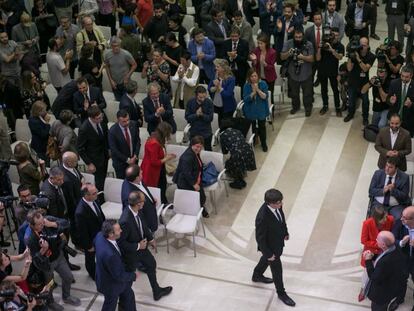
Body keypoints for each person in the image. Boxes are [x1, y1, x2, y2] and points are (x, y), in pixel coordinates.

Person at [118, 191, 173, 301]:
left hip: (142, 248)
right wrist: (138, 246)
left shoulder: (138, 211)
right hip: (132, 254)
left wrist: (151, 239)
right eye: (143, 200)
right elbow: (121, 243)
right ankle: (123, 300)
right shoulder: (125, 220)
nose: (145, 202)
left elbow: (143, 225)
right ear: (138, 203)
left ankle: (156, 291)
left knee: (151, 264)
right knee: (128, 278)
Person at [26, 210, 81, 310]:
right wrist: (43, 250)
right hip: (46, 265)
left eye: (43, 221)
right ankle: (50, 302)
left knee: (68, 277)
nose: (42, 225)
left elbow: (66, 223)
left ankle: (66, 296)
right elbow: (35, 259)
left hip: (58, 257)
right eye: (39, 224)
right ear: (32, 225)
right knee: (49, 285)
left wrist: (53, 224)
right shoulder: (29, 238)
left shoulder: (48, 220)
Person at [252, 189, 296, 307]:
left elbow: (281, 220)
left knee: (266, 260)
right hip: (271, 248)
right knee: (277, 271)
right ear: (269, 203)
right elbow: (260, 239)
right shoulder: (262, 217)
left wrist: (285, 232)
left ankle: (257, 274)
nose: (281, 204)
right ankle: (281, 293)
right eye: (278, 203)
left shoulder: (277, 206)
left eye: (281, 201)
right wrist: (268, 254)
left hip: (277, 242)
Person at [95, 219, 139, 311]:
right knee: (110, 305)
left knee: (128, 295)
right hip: (111, 286)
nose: (121, 231)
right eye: (118, 230)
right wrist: (133, 275)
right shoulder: (110, 255)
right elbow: (118, 275)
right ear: (111, 234)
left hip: (104, 277)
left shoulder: (99, 235)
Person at [358, 205, 394, 302]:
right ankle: (363, 290)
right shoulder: (367, 223)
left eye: (386, 216)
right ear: (377, 219)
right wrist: (379, 245)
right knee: (366, 272)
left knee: (381, 271)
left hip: (384, 251)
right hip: (371, 251)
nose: (386, 219)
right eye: (384, 218)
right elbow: (364, 240)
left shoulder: (390, 220)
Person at [363, 231, 406, 311]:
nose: (376, 239)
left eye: (378, 239)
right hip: (391, 287)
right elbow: (382, 257)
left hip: (381, 295)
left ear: (383, 244)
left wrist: (368, 260)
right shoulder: (394, 248)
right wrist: (373, 256)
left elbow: (374, 277)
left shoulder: (385, 262)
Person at [173, 136, 210, 218]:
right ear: (192, 145)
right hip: (186, 182)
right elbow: (186, 173)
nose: (199, 149)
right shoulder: (188, 157)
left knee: (201, 197)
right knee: (197, 198)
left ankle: (201, 209)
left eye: (200, 147)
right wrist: (194, 184)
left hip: (195, 179)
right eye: (197, 146)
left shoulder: (194, 152)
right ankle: (195, 213)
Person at [280, 29, 314, 116]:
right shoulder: (288, 43)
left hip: (306, 73)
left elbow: (312, 58)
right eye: (296, 37)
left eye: (300, 37)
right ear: (293, 36)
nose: (298, 39)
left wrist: (302, 57)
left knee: (307, 94)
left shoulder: (309, 44)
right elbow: (282, 57)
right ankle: (295, 107)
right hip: (293, 73)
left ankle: (308, 108)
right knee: (294, 94)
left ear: (303, 36)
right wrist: (289, 53)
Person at [75, 183, 105, 280]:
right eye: (94, 193)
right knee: (90, 258)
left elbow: (100, 214)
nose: (97, 194)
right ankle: (93, 273)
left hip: (100, 234)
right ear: (86, 195)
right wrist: (89, 246)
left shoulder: (95, 200)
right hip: (91, 239)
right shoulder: (80, 212)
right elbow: (82, 232)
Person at [141, 122, 176, 204]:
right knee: (156, 187)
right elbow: (154, 162)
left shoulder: (157, 139)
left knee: (162, 185)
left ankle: (163, 202)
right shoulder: (154, 143)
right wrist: (167, 158)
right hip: (151, 170)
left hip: (159, 168)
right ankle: (160, 204)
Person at [343, 36, 375, 124]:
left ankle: (365, 117)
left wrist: (358, 58)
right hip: (353, 81)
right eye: (360, 45)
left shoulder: (371, 56)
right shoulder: (354, 53)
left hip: (364, 83)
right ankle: (350, 114)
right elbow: (349, 69)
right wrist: (350, 56)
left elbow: (365, 69)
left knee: (365, 101)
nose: (362, 47)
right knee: (351, 100)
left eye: (364, 45)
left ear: (368, 46)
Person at [77, 106, 109, 193]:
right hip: (94, 160)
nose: (101, 119)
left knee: (103, 179)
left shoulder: (102, 122)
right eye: (98, 118)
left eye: (101, 116)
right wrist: (89, 163)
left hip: (104, 156)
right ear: (91, 118)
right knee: (99, 182)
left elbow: (105, 137)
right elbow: (80, 148)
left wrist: (109, 150)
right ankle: (99, 198)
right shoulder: (84, 129)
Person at [368, 156, 409, 220]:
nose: (387, 169)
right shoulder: (378, 173)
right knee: (377, 217)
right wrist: (383, 190)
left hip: (395, 206)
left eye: (390, 167)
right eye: (386, 165)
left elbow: (404, 196)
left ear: (396, 168)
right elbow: (371, 190)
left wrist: (393, 190)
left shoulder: (404, 178)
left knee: (399, 218)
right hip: (379, 203)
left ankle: (393, 230)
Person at [219, 119, 256, 189]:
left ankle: (238, 182)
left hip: (238, 153)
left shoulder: (223, 135)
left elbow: (224, 152)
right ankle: (241, 175)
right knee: (238, 162)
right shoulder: (237, 131)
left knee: (230, 164)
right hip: (248, 150)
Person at [315, 27, 344, 116]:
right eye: (333, 35)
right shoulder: (324, 44)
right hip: (322, 70)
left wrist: (331, 50)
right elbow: (318, 58)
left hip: (333, 71)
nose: (334, 37)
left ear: (339, 36)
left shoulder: (340, 46)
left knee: (335, 90)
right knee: (324, 89)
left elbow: (340, 57)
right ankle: (325, 105)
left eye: (336, 35)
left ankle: (337, 107)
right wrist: (319, 48)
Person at [121, 165, 158, 233]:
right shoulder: (130, 195)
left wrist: (151, 198)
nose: (142, 172)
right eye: (141, 173)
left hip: (150, 211)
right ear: (137, 177)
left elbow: (144, 190)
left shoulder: (135, 179)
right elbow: (136, 215)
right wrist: (146, 231)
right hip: (146, 222)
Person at [392, 206, 414, 309]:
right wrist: (401, 242)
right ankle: (399, 299)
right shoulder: (399, 223)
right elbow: (392, 239)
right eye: (402, 216)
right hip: (403, 260)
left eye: (404, 218)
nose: (401, 219)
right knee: (401, 280)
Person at [108, 110, 141, 179]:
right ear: (118, 120)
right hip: (121, 164)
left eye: (128, 120)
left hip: (134, 160)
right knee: (123, 183)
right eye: (124, 121)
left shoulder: (133, 124)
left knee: (134, 181)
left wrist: (135, 155)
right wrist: (127, 160)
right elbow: (114, 150)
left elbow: (137, 141)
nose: (127, 123)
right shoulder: (112, 131)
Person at [243, 69, 269, 152]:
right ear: (249, 77)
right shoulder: (246, 86)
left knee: (262, 127)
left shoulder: (263, 84)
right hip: (250, 110)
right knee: (253, 127)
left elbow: (265, 96)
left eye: (255, 76)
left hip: (261, 109)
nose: (254, 78)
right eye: (252, 76)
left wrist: (257, 90)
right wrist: (253, 93)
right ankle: (254, 141)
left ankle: (264, 143)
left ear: (258, 76)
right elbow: (245, 99)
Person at [60, 151, 83, 245]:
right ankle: (77, 243)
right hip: (74, 207)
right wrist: (78, 209)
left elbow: (79, 176)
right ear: (69, 163)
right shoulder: (65, 179)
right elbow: (71, 198)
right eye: (75, 161)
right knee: (75, 225)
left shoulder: (72, 167)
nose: (77, 162)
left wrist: (82, 180)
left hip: (79, 199)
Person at [104, 36, 137, 101]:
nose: (116, 47)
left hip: (125, 83)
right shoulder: (107, 54)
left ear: (120, 45)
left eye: (117, 45)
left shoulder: (126, 54)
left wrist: (128, 76)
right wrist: (111, 80)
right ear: (110, 46)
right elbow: (107, 66)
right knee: (118, 102)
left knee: (126, 101)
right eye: (113, 46)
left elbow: (134, 65)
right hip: (115, 83)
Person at [250, 33, 277, 106]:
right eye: (258, 43)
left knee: (269, 95)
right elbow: (254, 66)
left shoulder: (272, 52)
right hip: (260, 77)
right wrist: (255, 61)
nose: (259, 45)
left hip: (270, 77)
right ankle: (262, 110)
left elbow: (272, 67)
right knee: (260, 95)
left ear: (266, 43)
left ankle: (271, 111)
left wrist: (264, 63)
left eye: (261, 43)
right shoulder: (256, 50)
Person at [387, 65, 414, 137]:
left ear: (411, 75)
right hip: (394, 116)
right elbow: (388, 99)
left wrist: (411, 104)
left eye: (407, 77)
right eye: (402, 76)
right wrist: (390, 100)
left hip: (408, 119)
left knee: (406, 138)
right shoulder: (394, 83)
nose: (404, 79)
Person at [208, 58, 237, 126]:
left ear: (223, 68)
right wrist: (215, 88)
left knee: (225, 126)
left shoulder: (231, 79)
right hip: (216, 105)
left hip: (227, 107)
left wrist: (219, 88)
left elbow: (228, 94)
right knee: (217, 124)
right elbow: (209, 88)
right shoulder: (214, 76)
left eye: (218, 67)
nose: (216, 68)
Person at [185, 86, 214, 151]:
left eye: (204, 97)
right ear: (196, 96)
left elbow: (210, 118)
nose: (203, 99)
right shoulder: (190, 102)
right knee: (192, 151)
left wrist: (202, 115)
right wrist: (196, 115)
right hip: (194, 131)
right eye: (200, 97)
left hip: (206, 132)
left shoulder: (209, 102)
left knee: (208, 151)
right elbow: (187, 117)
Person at [223, 27, 250, 92]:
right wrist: (230, 58)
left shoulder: (244, 43)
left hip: (241, 70)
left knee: (242, 89)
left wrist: (236, 56)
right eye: (232, 36)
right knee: (230, 89)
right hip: (230, 71)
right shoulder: (226, 43)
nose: (234, 38)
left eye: (236, 36)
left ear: (239, 36)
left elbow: (245, 58)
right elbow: (223, 57)